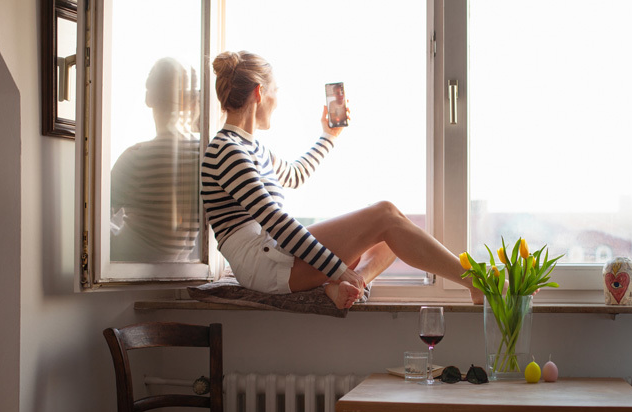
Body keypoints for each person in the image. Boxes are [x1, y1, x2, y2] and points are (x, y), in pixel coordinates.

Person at [202, 50, 483, 309]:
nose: (278, 100)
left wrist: (329, 135)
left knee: (392, 235)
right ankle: (478, 283)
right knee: (385, 215)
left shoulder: (251, 147)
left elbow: (295, 175)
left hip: (272, 254)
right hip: (262, 263)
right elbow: (276, 222)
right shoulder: (227, 150)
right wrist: (338, 268)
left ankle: (349, 285)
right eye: (276, 91)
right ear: (260, 93)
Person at [111, 57, 201, 262]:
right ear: (192, 102)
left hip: (131, 261)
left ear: (148, 98)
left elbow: (94, 222)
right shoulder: (204, 155)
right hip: (183, 264)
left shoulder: (135, 157)